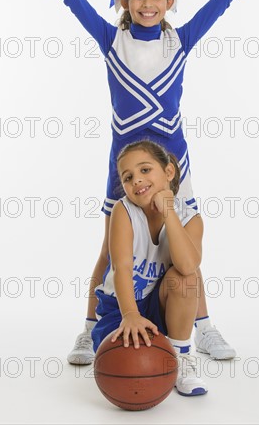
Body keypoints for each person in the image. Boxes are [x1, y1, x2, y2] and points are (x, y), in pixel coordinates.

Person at [17, 0, 259, 364]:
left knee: (183, 243)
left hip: (173, 164)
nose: (147, 4)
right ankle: (87, 328)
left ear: (169, 3)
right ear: (124, 0)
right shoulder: (111, 39)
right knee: (109, 248)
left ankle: (202, 328)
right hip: (126, 165)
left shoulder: (181, 40)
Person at [92, 139, 207, 396]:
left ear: (168, 172)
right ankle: (139, 335)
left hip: (160, 307)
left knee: (185, 278)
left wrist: (168, 211)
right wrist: (130, 315)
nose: (137, 181)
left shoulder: (191, 218)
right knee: (123, 368)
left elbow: (188, 265)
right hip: (121, 306)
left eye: (145, 170)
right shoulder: (124, 211)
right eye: (128, 176)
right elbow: (121, 268)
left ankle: (180, 357)